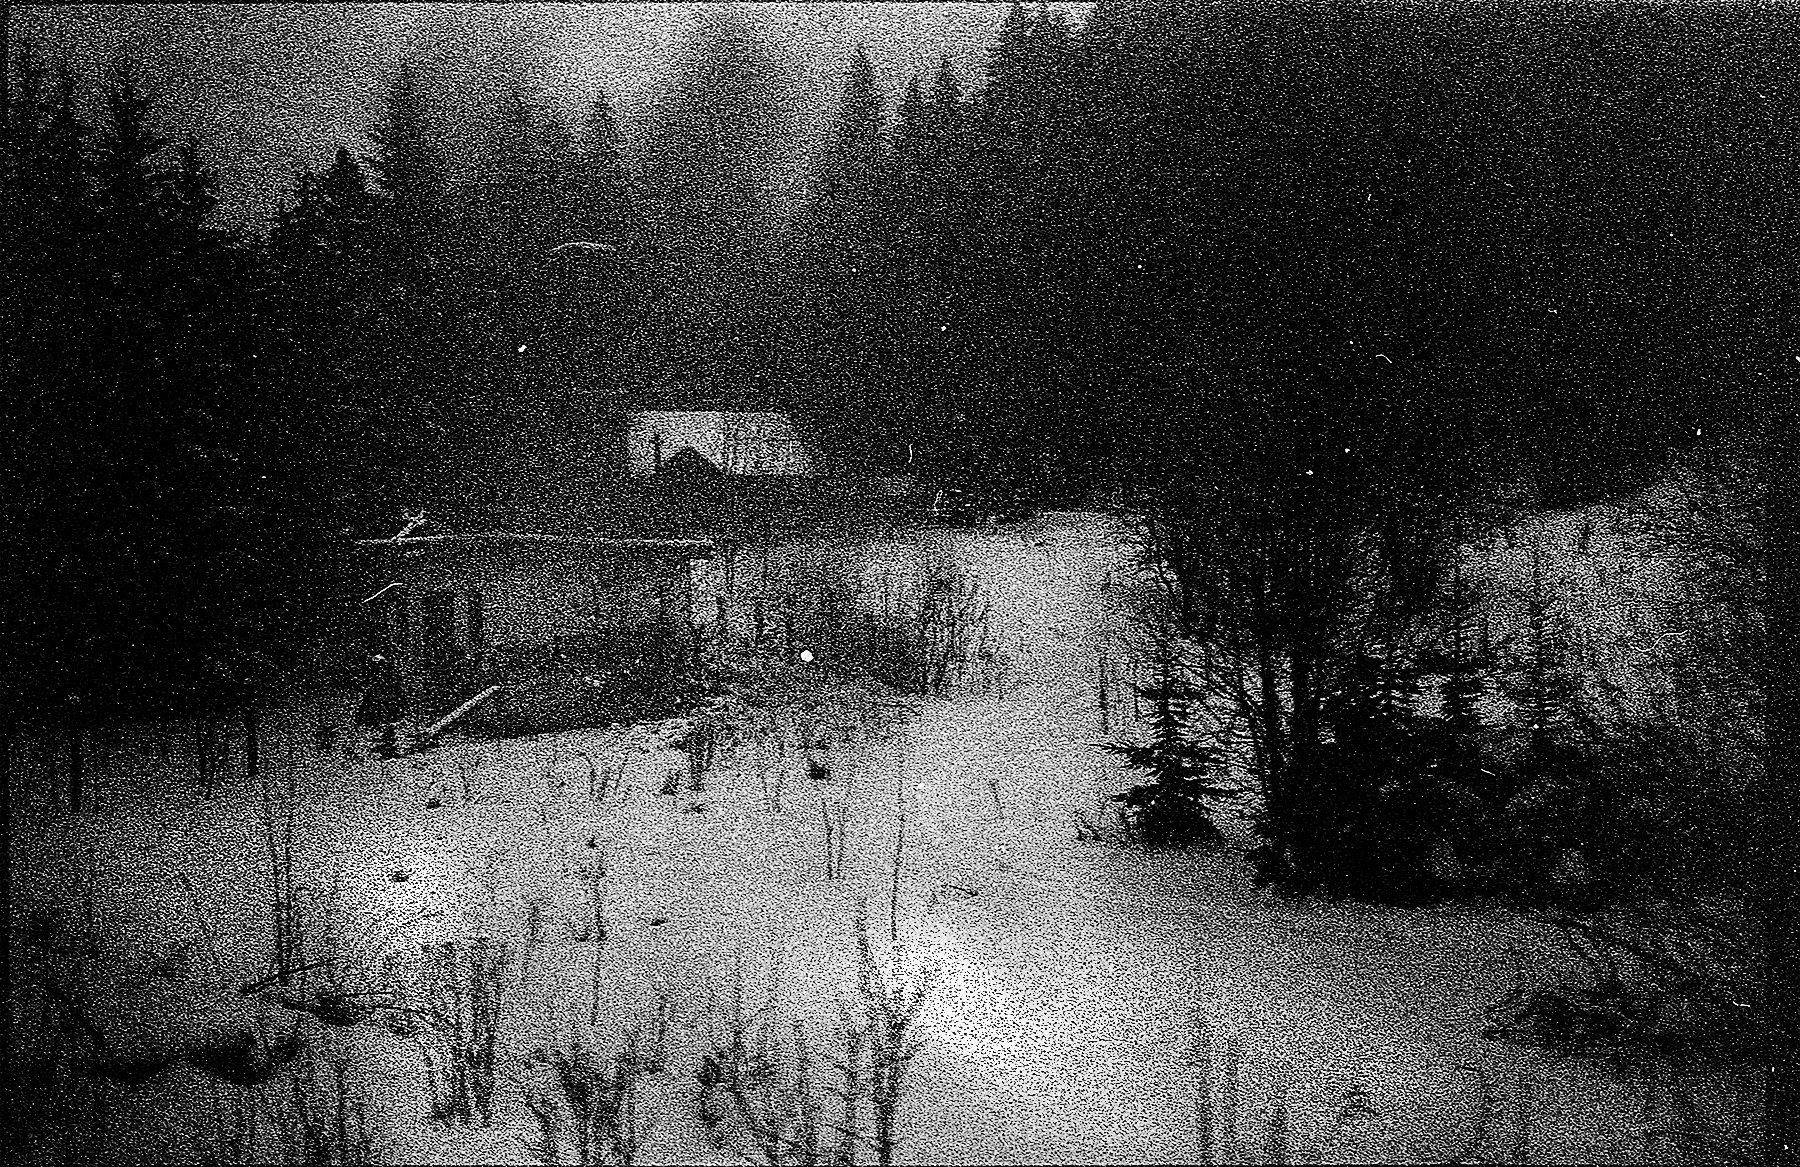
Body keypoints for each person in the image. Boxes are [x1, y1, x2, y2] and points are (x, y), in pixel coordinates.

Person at [355, 653, 408, 758]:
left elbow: (397, 690)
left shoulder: (390, 676)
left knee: (387, 724)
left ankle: (388, 746)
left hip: (386, 701)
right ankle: (381, 744)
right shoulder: (374, 676)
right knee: (379, 723)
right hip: (378, 701)